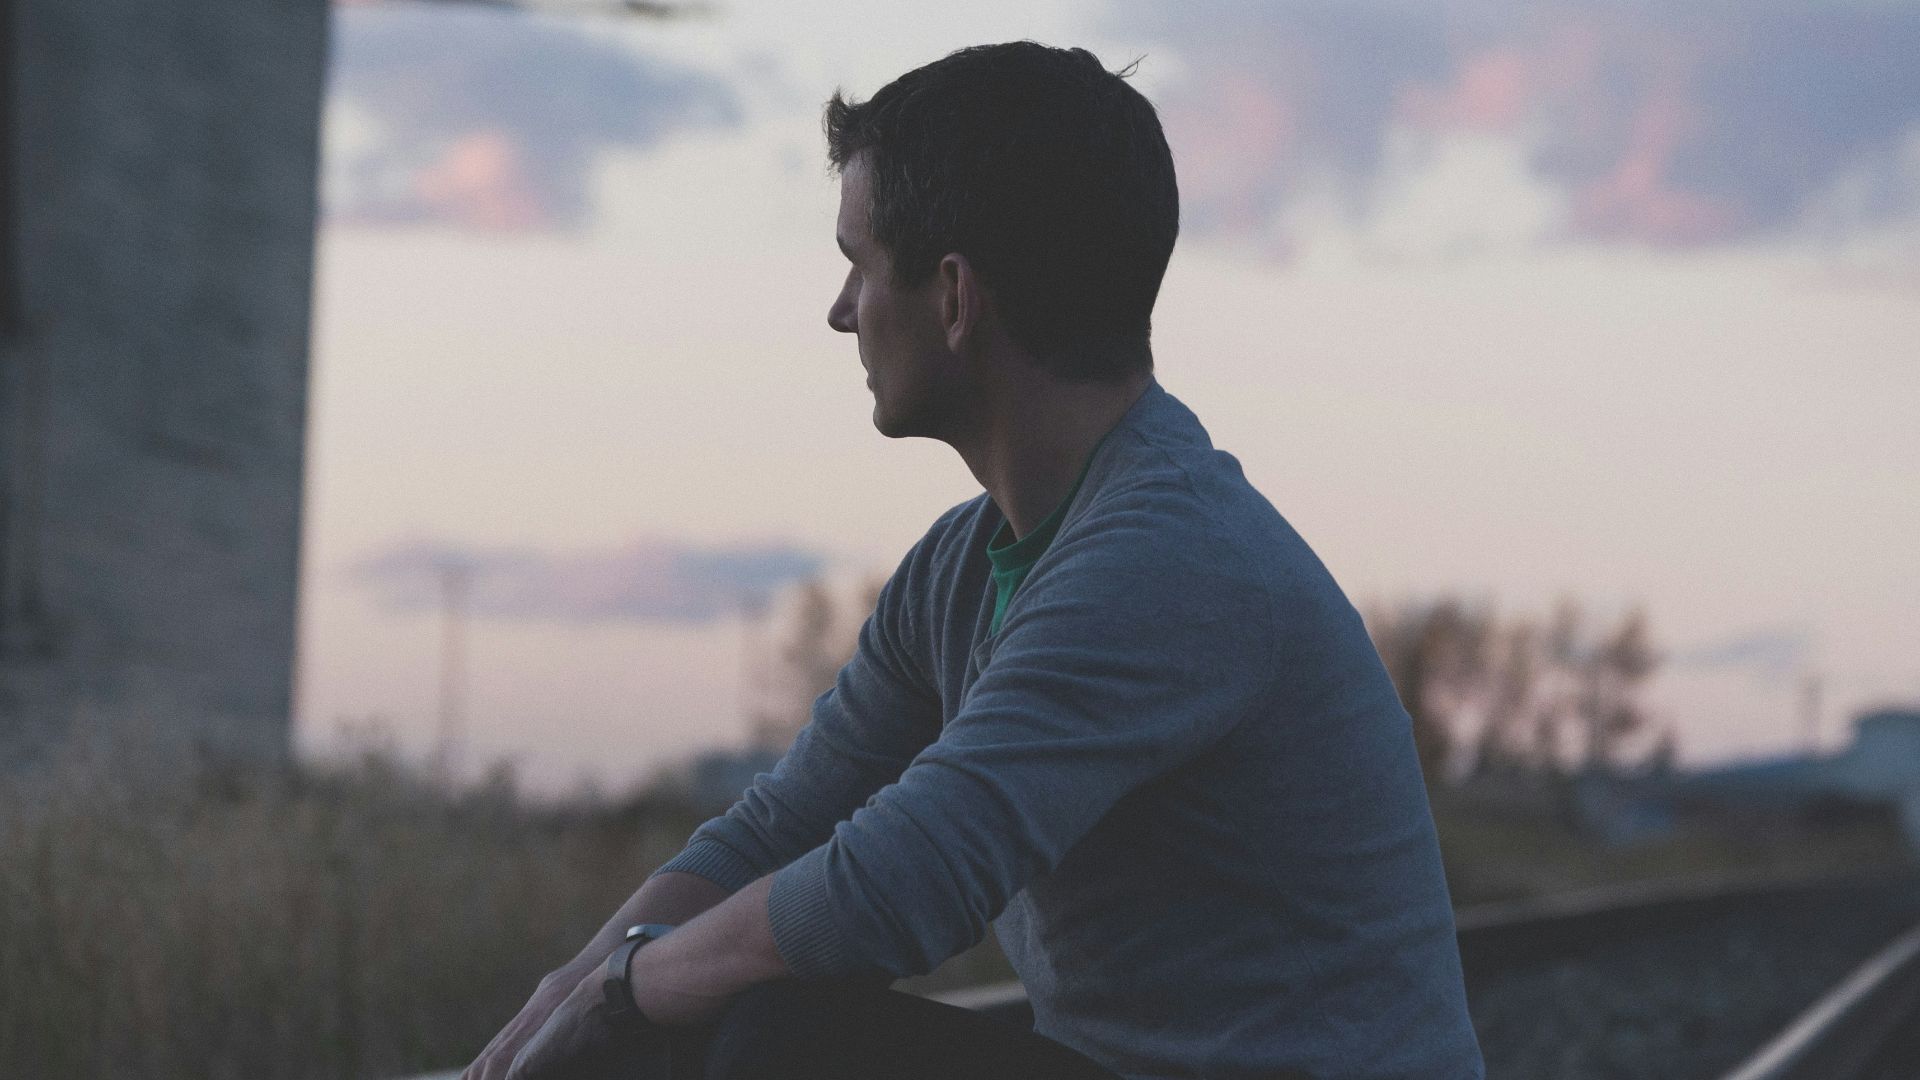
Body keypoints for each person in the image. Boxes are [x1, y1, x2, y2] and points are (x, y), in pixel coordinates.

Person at [463, 40, 1486, 1080]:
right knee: (741, 1009)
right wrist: (573, 988)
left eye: (858, 264)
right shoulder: (964, 569)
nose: (840, 309)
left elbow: (898, 886)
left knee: (779, 1041)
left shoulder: (1174, 563)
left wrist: (633, 987)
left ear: (953, 298)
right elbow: (781, 827)